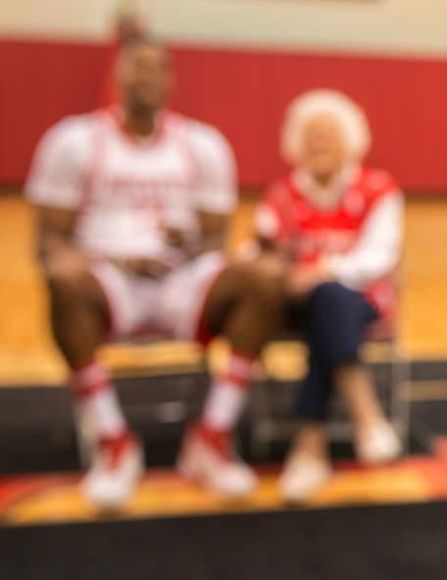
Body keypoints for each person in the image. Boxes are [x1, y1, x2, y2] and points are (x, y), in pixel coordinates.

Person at [25, 39, 285, 510]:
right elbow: (48, 244)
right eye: (137, 68)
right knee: (62, 279)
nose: (147, 78)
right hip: (107, 279)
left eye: (158, 69)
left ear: (172, 79)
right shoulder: (74, 142)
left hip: (180, 279)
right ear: (117, 76)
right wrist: (109, 258)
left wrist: (182, 243)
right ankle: (112, 440)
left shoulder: (203, 145)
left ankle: (212, 437)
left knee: (265, 278)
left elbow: (213, 242)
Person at [255, 90, 404, 503]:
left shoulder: (379, 189)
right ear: (294, 143)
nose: (319, 143)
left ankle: (309, 445)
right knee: (322, 303)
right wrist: (285, 274)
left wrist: (322, 271)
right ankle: (365, 413)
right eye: (311, 135)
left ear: (352, 139)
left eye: (329, 134)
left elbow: (380, 257)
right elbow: (259, 257)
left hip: (359, 301)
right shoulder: (279, 197)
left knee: (329, 299)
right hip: (293, 307)